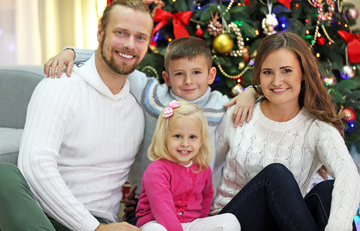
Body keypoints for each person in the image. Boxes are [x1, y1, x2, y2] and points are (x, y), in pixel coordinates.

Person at [44, 36, 258, 223]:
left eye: (196, 73)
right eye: (179, 74)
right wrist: (71, 52)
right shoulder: (153, 96)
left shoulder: (221, 106)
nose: (188, 81)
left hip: (195, 208)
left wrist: (251, 91)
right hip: (148, 207)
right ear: (166, 77)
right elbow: (113, 61)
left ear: (211, 75)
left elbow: (268, 98)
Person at [0, 0, 154, 231]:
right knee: (3, 176)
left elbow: (194, 93)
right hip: (45, 217)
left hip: (105, 223)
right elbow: (35, 166)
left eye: (140, 37)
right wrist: (93, 227)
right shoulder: (60, 87)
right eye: (121, 33)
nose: (130, 45)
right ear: (100, 33)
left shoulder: (141, 102)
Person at [211, 31, 360, 231]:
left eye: (286, 71)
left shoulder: (316, 129)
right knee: (276, 174)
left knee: (328, 190)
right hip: (232, 222)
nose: (276, 81)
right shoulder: (240, 114)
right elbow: (204, 165)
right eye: (267, 72)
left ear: (304, 73)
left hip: (282, 224)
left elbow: (348, 175)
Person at [135, 100, 240, 231]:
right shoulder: (156, 171)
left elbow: (206, 198)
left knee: (230, 220)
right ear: (164, 138)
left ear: (201, 140)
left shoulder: (203, 168)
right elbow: (162, 210)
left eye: (192, 137)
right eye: (177, 136)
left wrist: (201, 222)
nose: (185, 143)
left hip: (190, 223)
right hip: (157, 222)